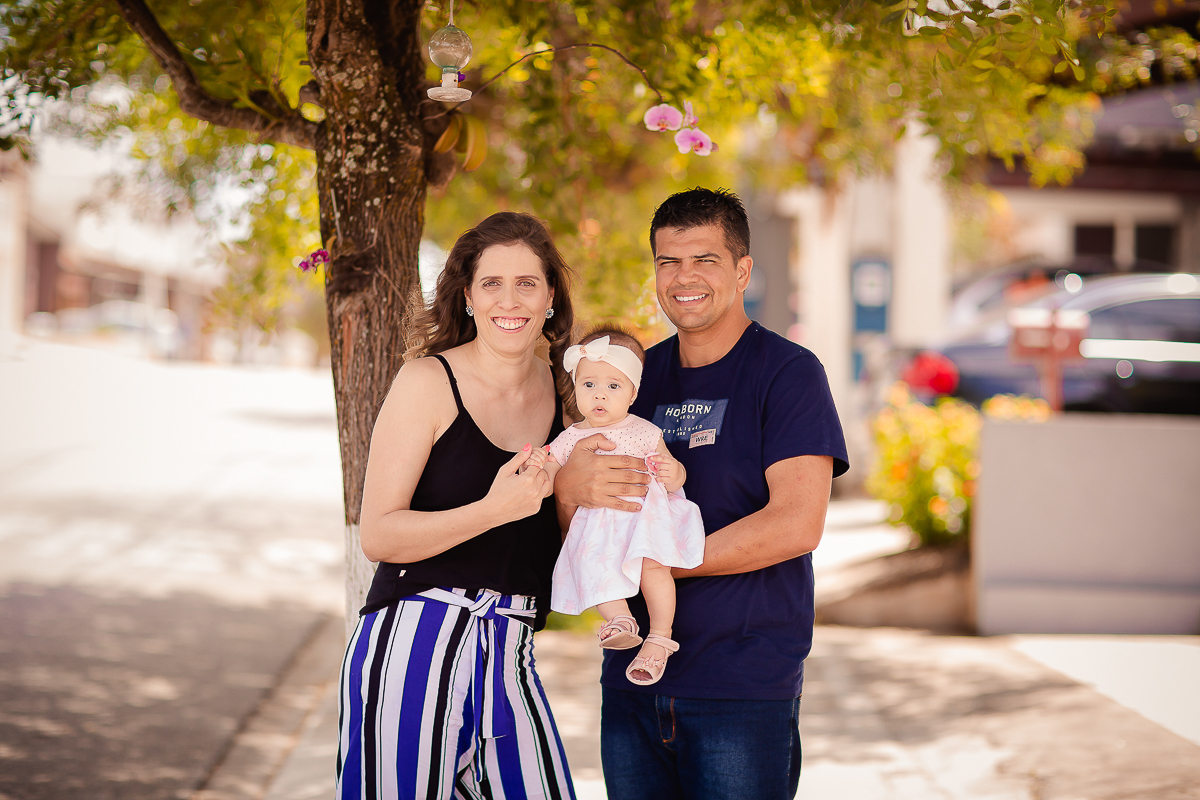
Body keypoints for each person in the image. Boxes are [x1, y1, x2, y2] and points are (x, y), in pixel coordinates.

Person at [555, 188, 849, 800]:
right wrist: (568, 490)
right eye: (668, 262)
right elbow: (579, 519)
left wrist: (654, 563)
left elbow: (797, 523)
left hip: (741, 685)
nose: (684, 277)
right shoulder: (630, 378)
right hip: (632, 677)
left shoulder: (788, 373)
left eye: (705, 260)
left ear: (742, 271)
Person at [335, 212, 579, 800]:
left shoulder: (568, 393)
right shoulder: (426, 381)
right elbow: (379, 535)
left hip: (511, 643)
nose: (509, 301)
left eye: (527, 283)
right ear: (468, 296)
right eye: (491, 283)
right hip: (414, 640)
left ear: (550, 296)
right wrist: (494, 508)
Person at [524, 326, 705, 686]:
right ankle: (619, 619)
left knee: (655, 568)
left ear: (633, 393)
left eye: (613, 386)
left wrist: (675, 472)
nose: (600, 395)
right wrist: (538, 466)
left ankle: (660, 635)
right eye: (589, 384)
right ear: (575, 388)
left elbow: (674, 476)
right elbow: (549, 480)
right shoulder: (569, 438)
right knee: (594, 562)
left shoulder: (645, 432)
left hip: (642, 521)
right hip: (599, 526)